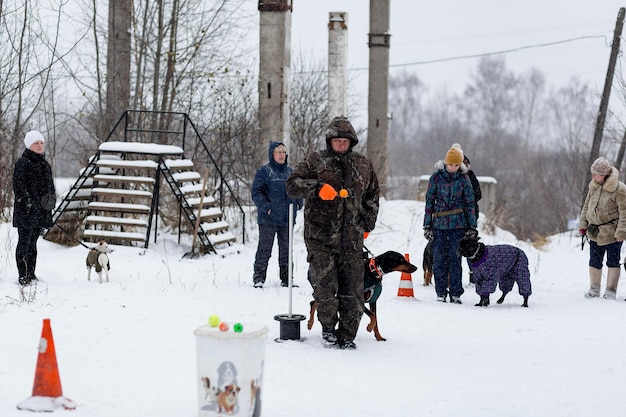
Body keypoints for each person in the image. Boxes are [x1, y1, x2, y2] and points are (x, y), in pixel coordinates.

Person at [286, 116, 379, 349]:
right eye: (336, 140)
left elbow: (372, 196)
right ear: (330, 140)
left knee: (353, 292)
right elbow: (292, 185)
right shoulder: (315, 160)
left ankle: (347, 335)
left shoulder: (362, 164)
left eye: (344, 140)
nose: (340, 144)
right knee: (325, 288)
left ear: (351, 142)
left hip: (352, 240)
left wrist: (367, 223)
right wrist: (317, 189)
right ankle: (328, 328)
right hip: (321, 238)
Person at [423, 144, 477, 304]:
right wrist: (427, 225)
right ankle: (440, 292)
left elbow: (470, 204)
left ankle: (456, 293)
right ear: (445, 163)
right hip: (439, 225)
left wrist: (471, 226)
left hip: (458, 226)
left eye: (455, 164)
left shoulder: (464, 179)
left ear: (459, 165)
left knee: (455, 260)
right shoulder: (436, 178)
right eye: (450, 164)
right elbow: (429, 202)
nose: (452, 167)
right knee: (439, 260)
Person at [251, 142, 302, 288]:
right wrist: (266, 207)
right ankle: (259, 278)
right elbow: (256, 192)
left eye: (283, 152)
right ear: (272, 154)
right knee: (265, 248)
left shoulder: (290, 173)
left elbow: (297, 190)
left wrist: (299, 203)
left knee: (286, 250)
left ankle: (287, 279)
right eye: (278, 151)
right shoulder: (264, 172)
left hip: (287, 217)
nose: (281, 154)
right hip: (268, 218)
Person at [13, 130, 56, 286]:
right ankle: (22, 275)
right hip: (26, 212)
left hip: (40, 212)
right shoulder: (22, 163)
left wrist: (49, 203)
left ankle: (31, 274)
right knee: (24, 243)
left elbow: (50, 188)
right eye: (36, 143)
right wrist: (27, 202)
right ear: (29, 145)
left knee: (33, 244)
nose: (39, 145)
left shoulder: (45, 164)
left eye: (41, 143)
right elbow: (19, 188)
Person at [579, 157, 626, 300]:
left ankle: (610, 290)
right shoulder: (593, 186)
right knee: (594, 260)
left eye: (595, 174)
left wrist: (621, 232)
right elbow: (586, 206)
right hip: (594, 232)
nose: (593, 176)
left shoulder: (619, 189)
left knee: (612, 261)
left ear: (604, 174)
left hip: (612, 233)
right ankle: (594, 288)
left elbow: (624, 212)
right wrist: (583, 224)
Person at [463, 153, 482, 284]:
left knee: (470, 245)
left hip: (470, 216)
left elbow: (478, 194)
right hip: (454, 217)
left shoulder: (470, 175)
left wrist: (467, 199)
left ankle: (473, 273)